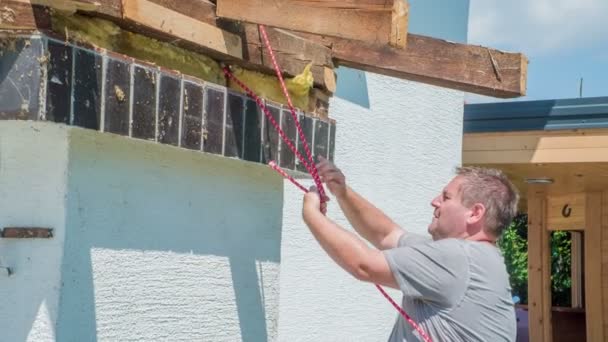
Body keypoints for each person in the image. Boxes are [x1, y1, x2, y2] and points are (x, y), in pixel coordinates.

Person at [302, 156, 519, 342]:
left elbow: (364, 265)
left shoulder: (459, 259)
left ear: (474, 213)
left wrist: (310, 214)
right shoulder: (470, 258)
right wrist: (343, 192)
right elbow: (387, 235)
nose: (434, 202)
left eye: (446, 197)